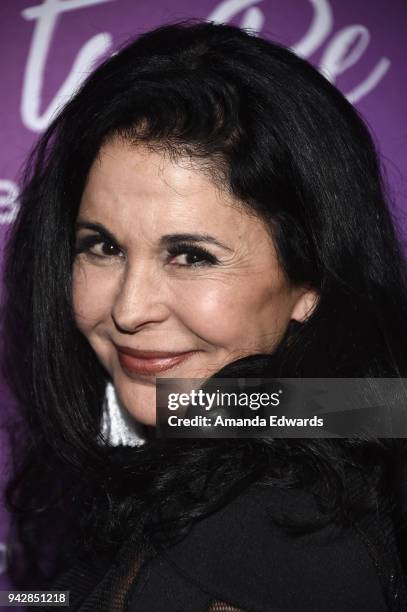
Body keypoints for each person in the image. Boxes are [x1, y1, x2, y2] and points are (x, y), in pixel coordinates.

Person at [2, 20, 407, 611]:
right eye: (103, 246)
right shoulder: (314, 425)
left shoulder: (259, 535)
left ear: (312, 279)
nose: (129, 309)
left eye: (191, 256)